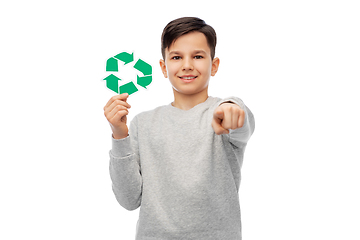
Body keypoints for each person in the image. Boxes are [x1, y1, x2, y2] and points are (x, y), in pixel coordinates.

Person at [104, 17, 255, 240]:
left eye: (197, 56)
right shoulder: (142, 124)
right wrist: (119, 135)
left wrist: (232, 107)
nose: (187, 64)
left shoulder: (223, 113)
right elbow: (129, 200)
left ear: (214, 66)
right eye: (176, 57)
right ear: (164, 68)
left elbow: (241, 121)